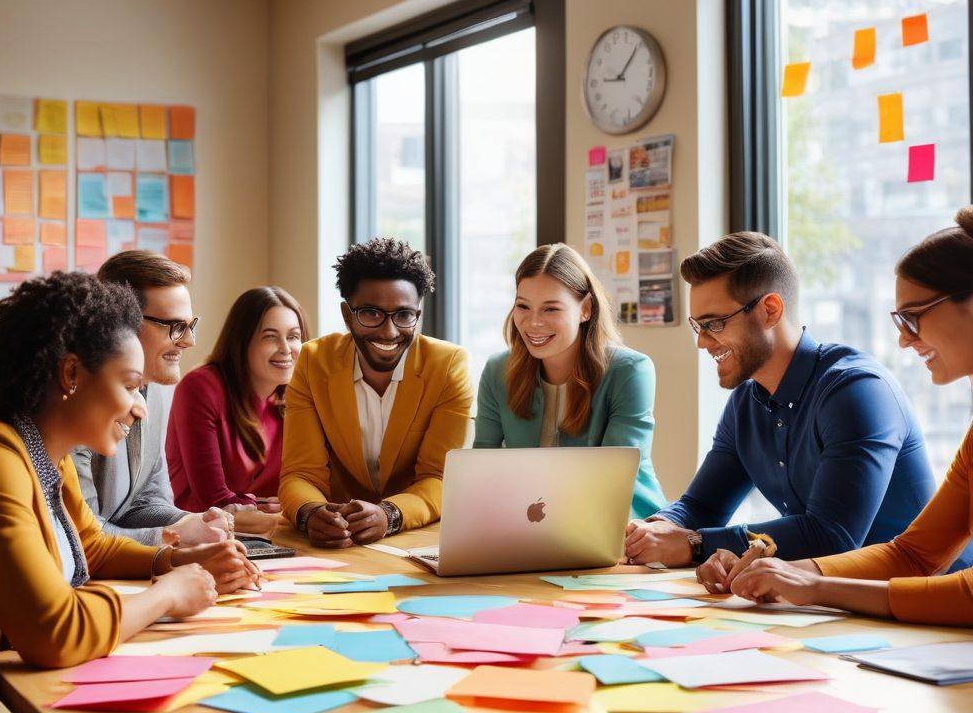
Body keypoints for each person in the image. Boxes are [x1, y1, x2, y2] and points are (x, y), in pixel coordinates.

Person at [0, 272, 258, 713]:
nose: (141, 407)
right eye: (131, 385)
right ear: (71, 375)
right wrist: (167, 594)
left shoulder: (39, 446)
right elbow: (56, 632)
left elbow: (89, 547)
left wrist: (179, 558)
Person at [707, 208, 973, 625]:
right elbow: (913, 553)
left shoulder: (855, 388)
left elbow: (967, 592)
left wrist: (815, 585)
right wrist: (790, 574)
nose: (903, 339)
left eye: (913, 317)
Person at [624, 231, 938, 570]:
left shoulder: (856, 391)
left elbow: (831, 536)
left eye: (714, 324)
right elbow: (701, 505)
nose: (702, 343)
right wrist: (654, 528)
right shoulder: (746, 401)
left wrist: (697, 544)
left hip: (926, 605)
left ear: (770, 310)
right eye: (697, 326)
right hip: (833, 600)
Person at [280, 237, 472, 548]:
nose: (389, 331)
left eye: (404, 315)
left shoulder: (448, 365)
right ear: (347, 314)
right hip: (338, 540)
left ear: (417, 314)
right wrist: (311, 513)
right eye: (371, 313)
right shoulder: (314, 362)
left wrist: (390, 513)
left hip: (415, 539)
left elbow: (440, 477)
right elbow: (300, 473)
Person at [474, 242, 665, 518]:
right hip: (526, 526)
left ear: (586, 308)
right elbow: (481, 471)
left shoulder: (630, 371)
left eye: (551, 309)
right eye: (523, 306)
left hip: (622, 527)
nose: (533, 322)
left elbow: (613, 481)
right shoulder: (497, 370)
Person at [72, 250, 234, 548]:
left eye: (190, 325)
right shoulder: (75, 402)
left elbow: (145, 499)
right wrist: (171, 537)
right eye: (175, 327)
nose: (188, 341)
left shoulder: (160, 387)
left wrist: (191, 522)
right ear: (121, 323)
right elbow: (83, 535)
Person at [168, 286, 310, 536]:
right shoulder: (201, 387)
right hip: (197, 537)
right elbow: (214, 501)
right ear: (242, 341)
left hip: (269, 536)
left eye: (293, 336)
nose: (286, 349)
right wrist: (281, 510)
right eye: (270, 336)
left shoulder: (297, 395)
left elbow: (306, 486)